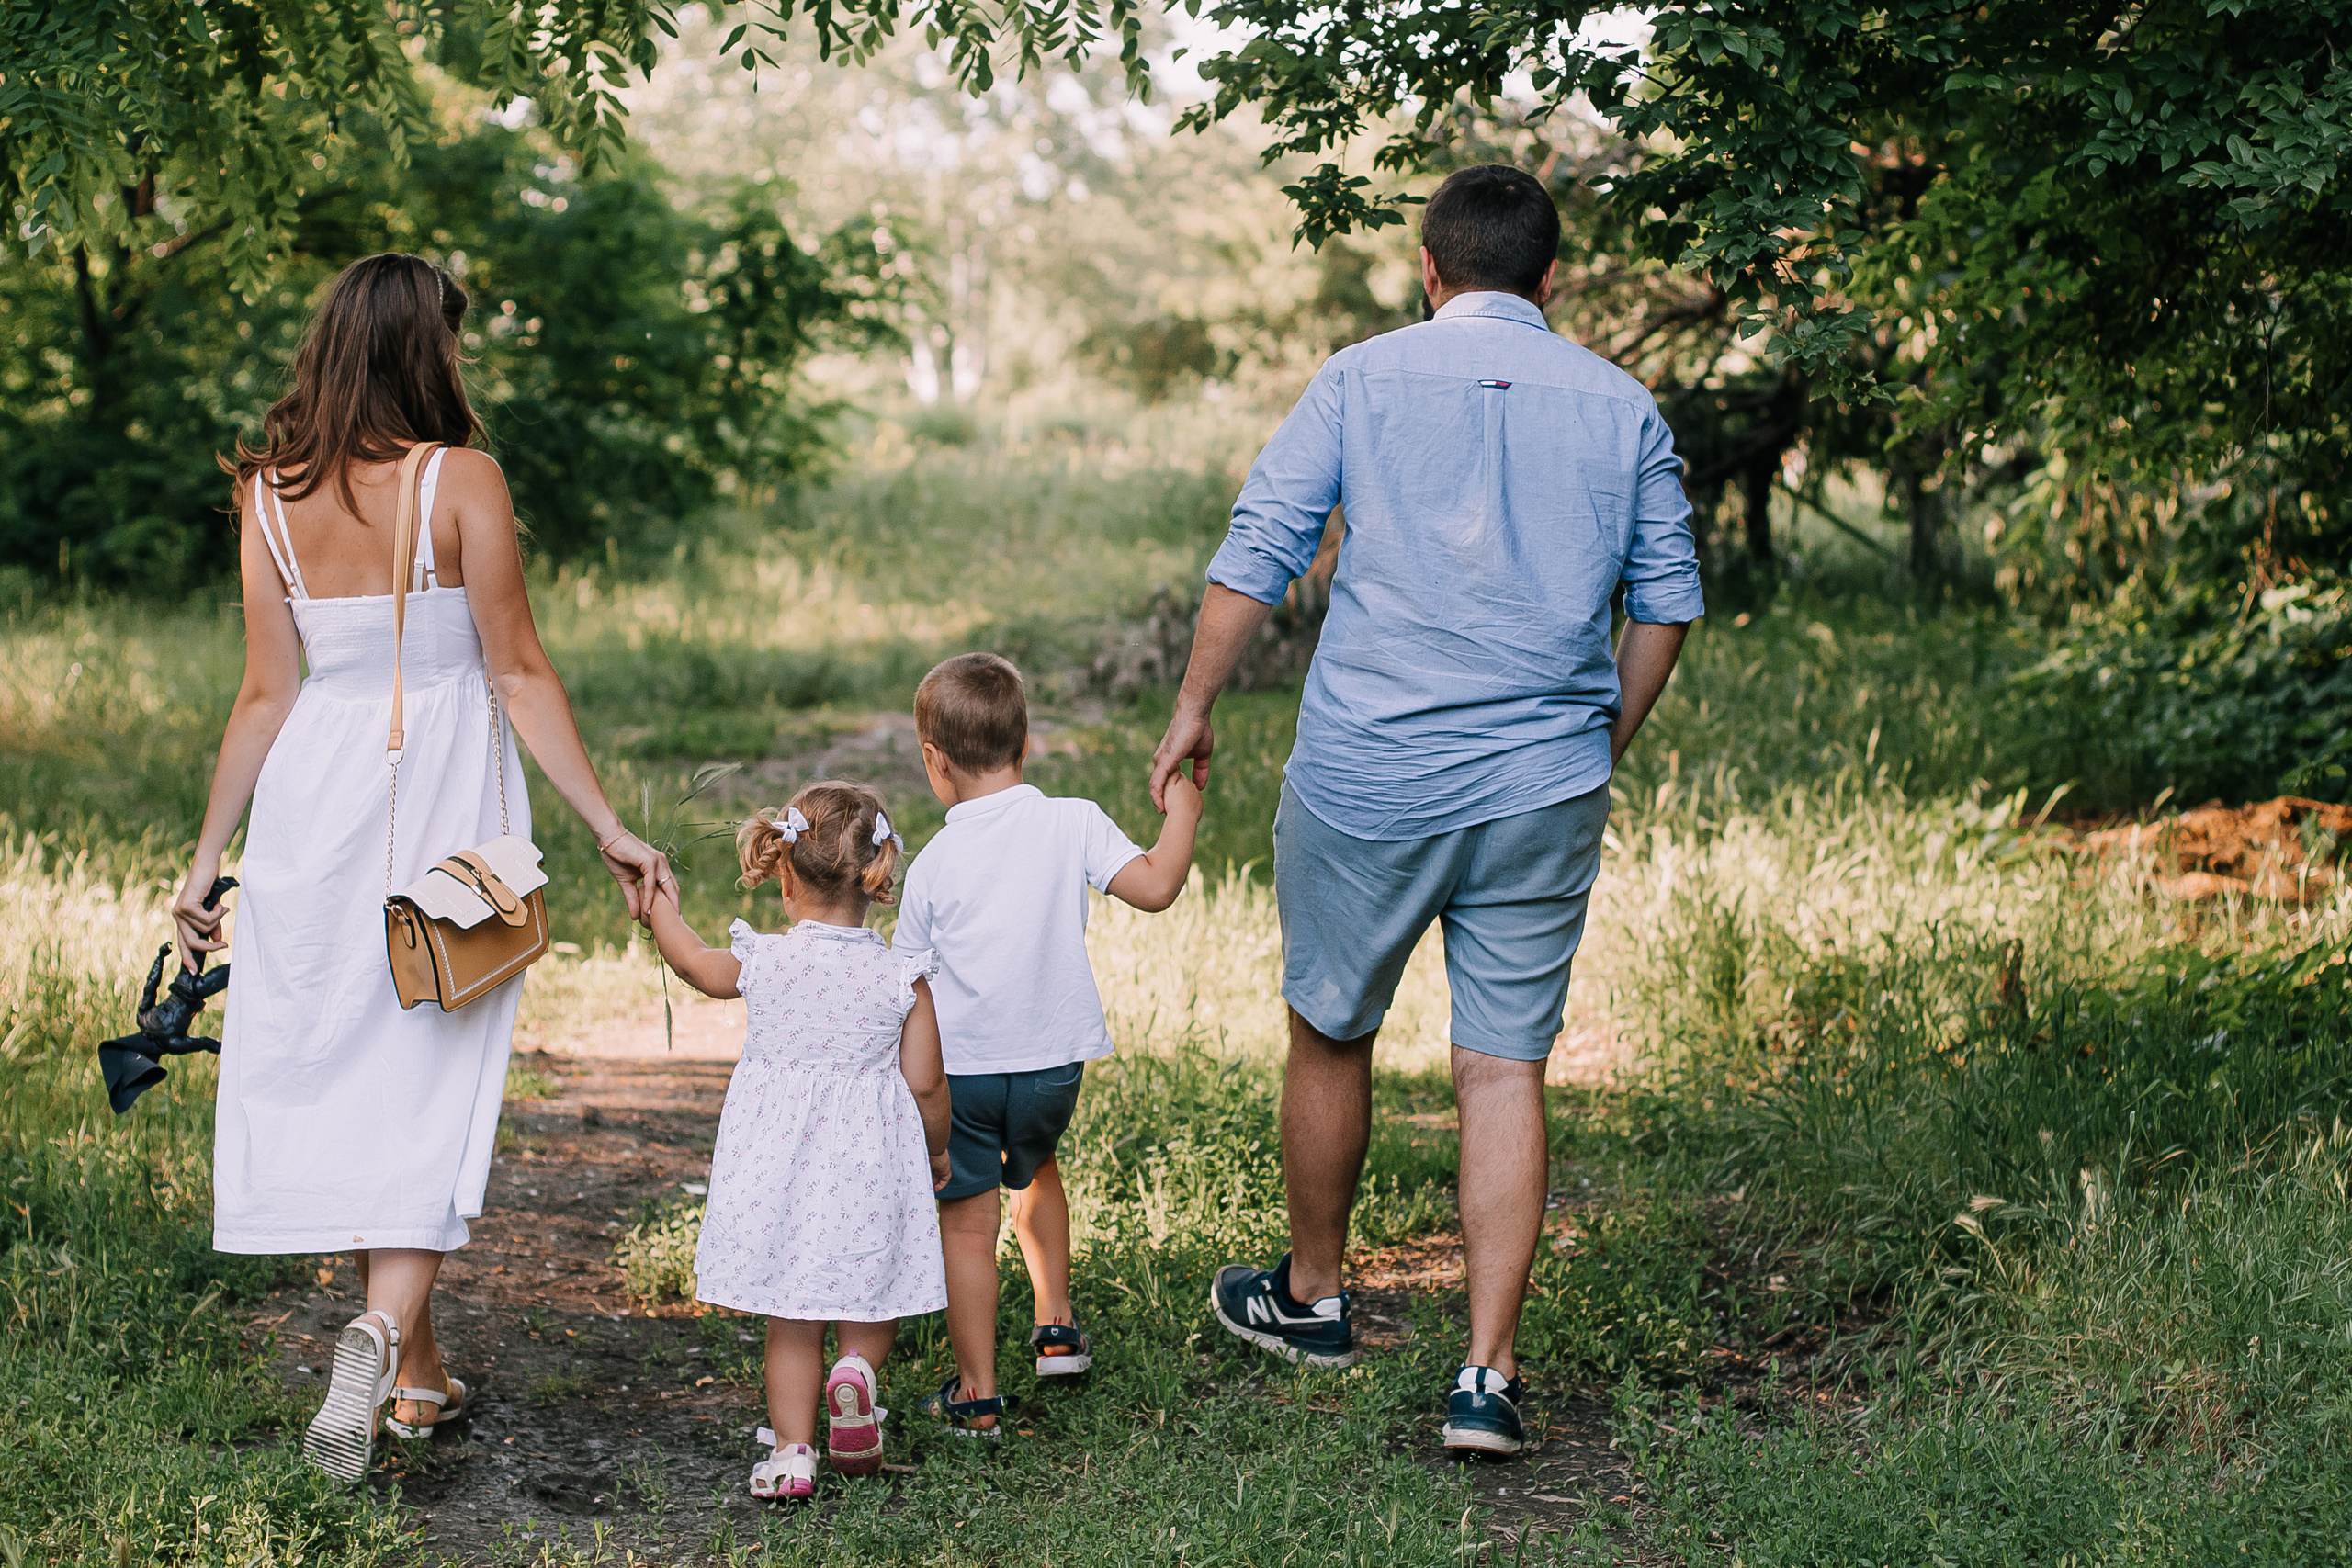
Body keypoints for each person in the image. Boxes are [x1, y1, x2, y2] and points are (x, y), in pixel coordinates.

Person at [1149, 166, 1704, 1457]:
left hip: (1368, 773)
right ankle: (1486, 1377)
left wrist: (1192, 704)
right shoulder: (1621, 404)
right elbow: (1665, 601)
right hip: (1542, 783)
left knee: (1331, 1028)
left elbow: (1259, 550)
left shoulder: (1361, 376)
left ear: (1429, 267)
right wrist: (1597, 737)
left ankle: (1316, 1295)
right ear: (1551, 278)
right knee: (1503, 1063)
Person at [172, 253, 675, 1482]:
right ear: (422, 348)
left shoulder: (268, 495)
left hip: (309, 808)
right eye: (451, 340)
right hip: (444, 806)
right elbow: (516, 668)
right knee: (427, 1089)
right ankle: (387, 1330)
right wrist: (606, 822)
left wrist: (205, 861)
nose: (460, 359)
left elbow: (261, 692)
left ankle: (414, 1375)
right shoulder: (463, 479)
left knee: (352, 1082)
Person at [894, 653, 1203, 1435]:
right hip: (1052, 1070)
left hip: (962, 1076)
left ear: (936, 761)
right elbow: (1158, 886)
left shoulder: (930, 867)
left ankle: (977, 1392)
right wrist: (1185, 803)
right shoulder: (1074, 819)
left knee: (967, 1218)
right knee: (1036, 1167)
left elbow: (907, 993)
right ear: (1024, 743)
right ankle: (1056, 1326)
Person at [644, 783, 951, 1502]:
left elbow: (691, 960)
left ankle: (792, 1453)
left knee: (793, 1314)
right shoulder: (899, 976)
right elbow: (929, 1084)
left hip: (780, 1172)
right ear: (878, 877)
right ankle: (858, 1377)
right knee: (871, 1297)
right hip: (870, 1167)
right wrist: (937, 1149)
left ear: (783, 873)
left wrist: (659, 898)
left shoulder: (766, 962)